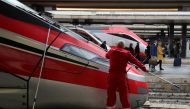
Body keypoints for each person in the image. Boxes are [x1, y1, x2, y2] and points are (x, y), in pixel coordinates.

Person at [106, 41, 148, 109]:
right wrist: (144, 68)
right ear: (123, 46)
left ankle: (110, 107)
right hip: (121, 76)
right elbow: (136, 61)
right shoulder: (127, 53)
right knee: (123, 93)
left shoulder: (112, 50)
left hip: (112, 75)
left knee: (111, 92)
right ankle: (126, 107)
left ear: (117, 45)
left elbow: (107, 56)